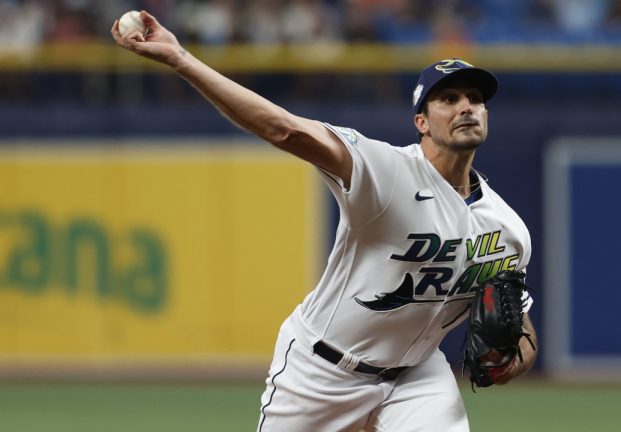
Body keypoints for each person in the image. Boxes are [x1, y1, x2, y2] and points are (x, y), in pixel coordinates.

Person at [112, 11, 538, 432]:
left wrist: (516, 355)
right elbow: (285, 130)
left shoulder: (507, 229)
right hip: (322, 370)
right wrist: (180, 58)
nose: (467, 107)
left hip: (416, 376)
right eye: (449, 99)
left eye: (475, 99)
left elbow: (520, 326)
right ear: (421, 122)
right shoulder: (386, 171)